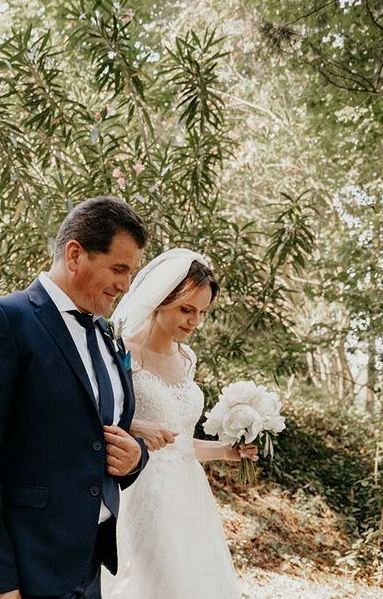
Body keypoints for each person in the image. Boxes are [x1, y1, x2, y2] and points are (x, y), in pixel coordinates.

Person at [0, 197, 151, 599]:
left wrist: (136, 456)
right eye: (119, 268)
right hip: (26, 570)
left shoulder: (106, 334)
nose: (126, 286)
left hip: (89, 569)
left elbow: (102, 431)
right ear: (75, 254)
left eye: (132, 273)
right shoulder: (3, 321)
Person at [101, 248, 257, 599]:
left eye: (201, 312)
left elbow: (181, 441)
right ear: (160, 300)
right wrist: (138, 426)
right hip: (141, 488)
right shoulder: (123, 351)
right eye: (186, 309)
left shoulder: (187, 359)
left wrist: (227, 452)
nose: (194, 321)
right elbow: (102, 418)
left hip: (187, 495)